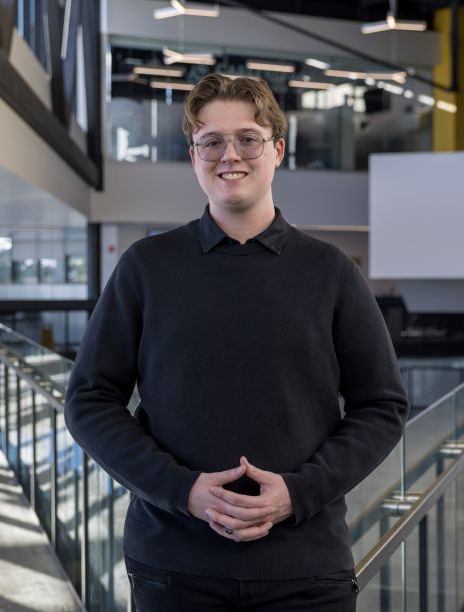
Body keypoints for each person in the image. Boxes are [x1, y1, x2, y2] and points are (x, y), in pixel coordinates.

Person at [64, 74, 409, 611]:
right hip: (174, 569)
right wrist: (182, 491)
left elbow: (382, 406)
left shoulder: (331, 272)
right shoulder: (146, 268)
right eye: (211, 141)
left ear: (277, 148)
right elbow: (89, 401)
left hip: (306, 570)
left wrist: (298, 493)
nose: (231, 155)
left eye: (248, 138)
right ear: (193, 154)